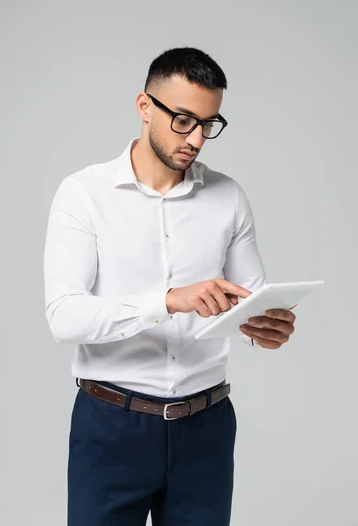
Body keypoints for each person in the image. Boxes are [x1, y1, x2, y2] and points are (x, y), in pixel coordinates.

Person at [43, 46, 296, 526]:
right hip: (112, 425)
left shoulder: (228, 197)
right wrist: (166, 301)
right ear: (144, 107)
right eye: (183, 120)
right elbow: (64, 316)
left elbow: (249, 302)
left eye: (209, 123)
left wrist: (264, 328)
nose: (196, 138)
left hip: (207, 427)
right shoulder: (84, 194)